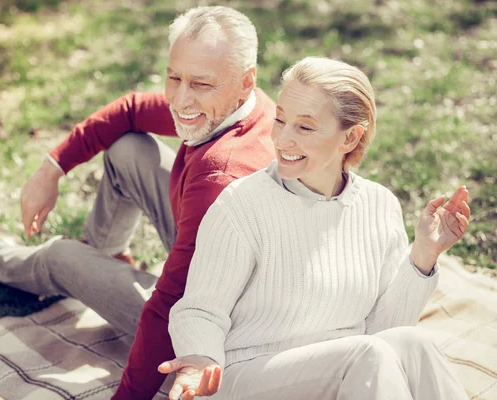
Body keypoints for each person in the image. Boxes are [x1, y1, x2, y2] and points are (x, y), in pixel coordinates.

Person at [0, 6, 276, 399]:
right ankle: (104, 259)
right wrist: (52, 167)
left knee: (60, 257)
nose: (181, 98)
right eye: (174, 77)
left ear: (244, 81)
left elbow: (169, 304)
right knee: (128, 148)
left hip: (214, 334)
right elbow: (133, 109)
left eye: (200, 84)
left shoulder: (220, 175)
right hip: (219, 266)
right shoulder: (241, 106)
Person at [160, 57, 471, 400]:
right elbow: (201, 309)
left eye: (304, 127)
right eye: (280, 120)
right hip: (243, 377)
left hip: (350, 377)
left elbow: (383, 331)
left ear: (351, 137)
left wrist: (423, 255)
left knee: (413, 342)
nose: (282, 139)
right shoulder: (242, 205)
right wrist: (200, 359)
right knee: (370, 354)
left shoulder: (379, 205)